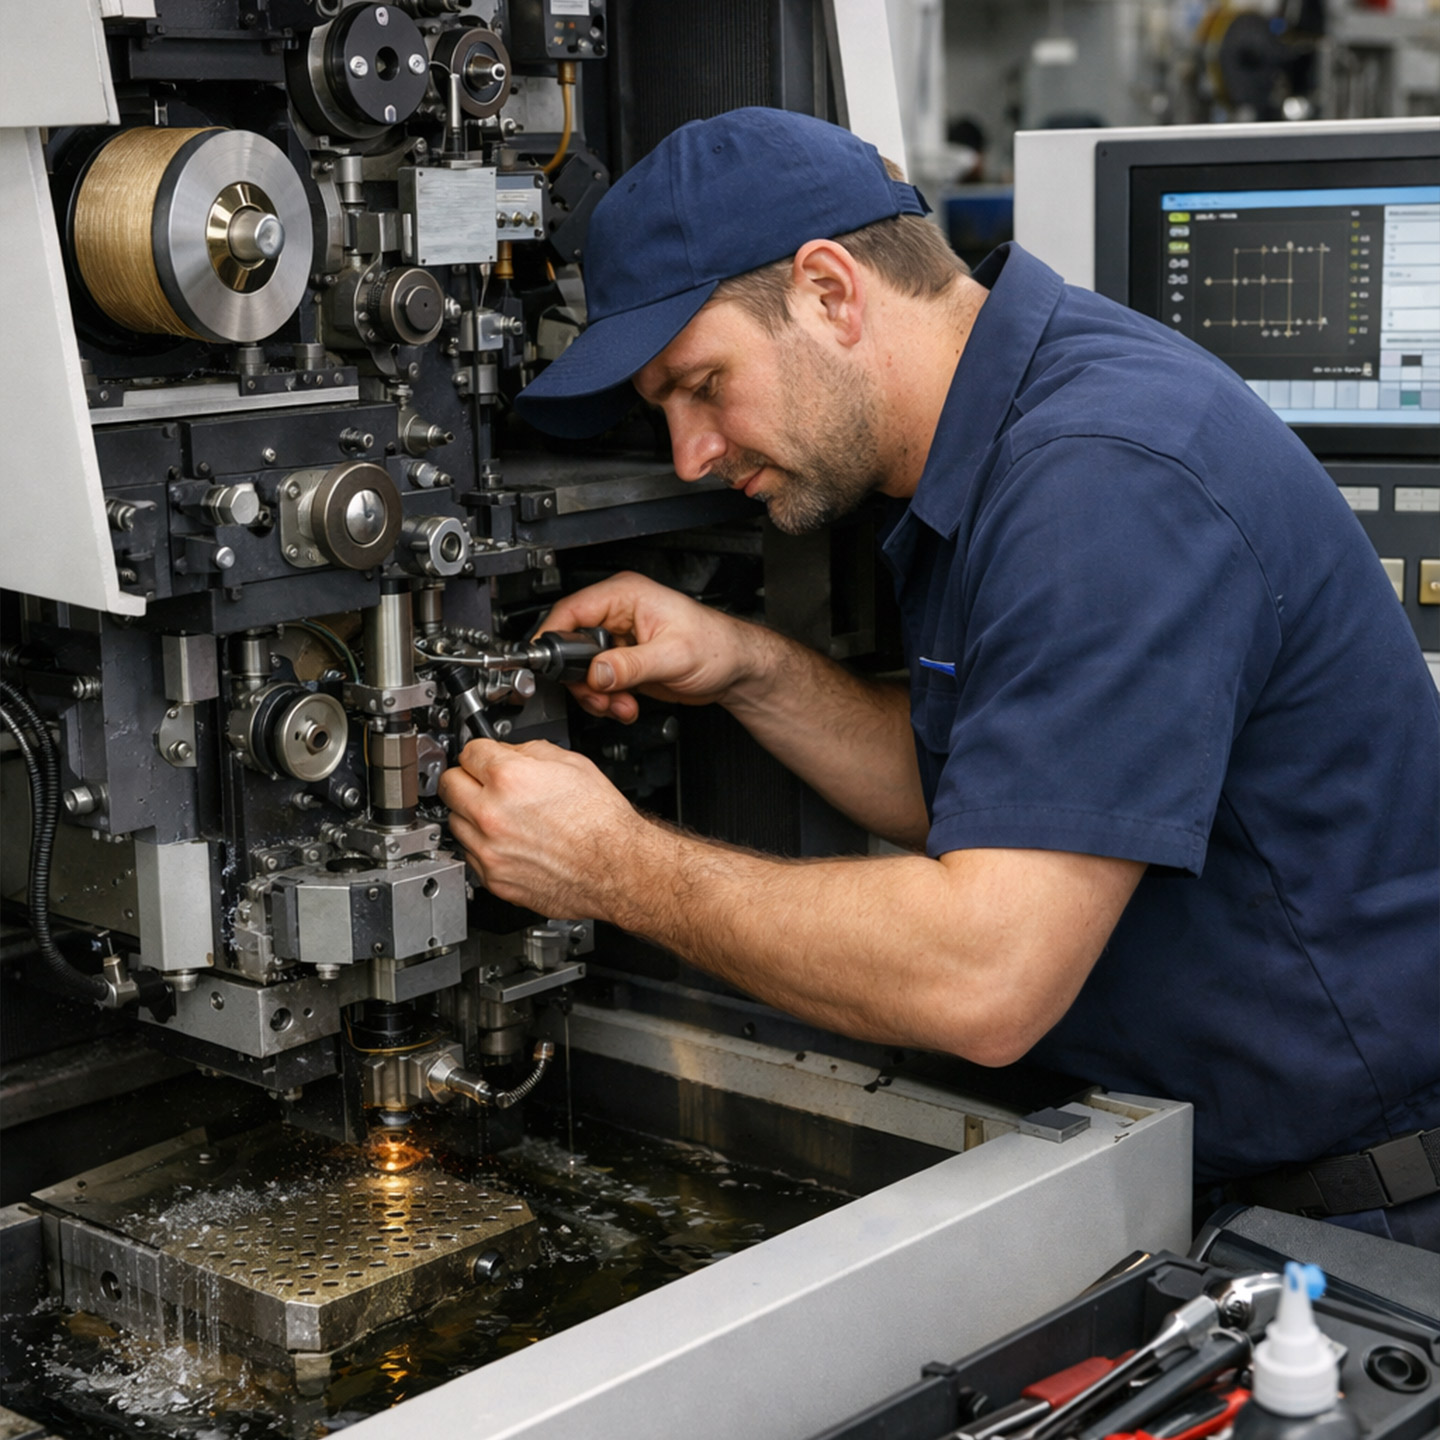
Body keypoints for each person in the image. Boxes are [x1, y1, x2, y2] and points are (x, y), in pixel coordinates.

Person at [438, 108, 1440, 1248]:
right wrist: (745, 666)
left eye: (702, 384)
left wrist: (609, 866)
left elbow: (986, 975)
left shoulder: (1102, 482)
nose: (691, 456)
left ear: (830, 291)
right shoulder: (1004, 434)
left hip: (1364, 1221)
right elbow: (990, 793)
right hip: (1216, 1181)